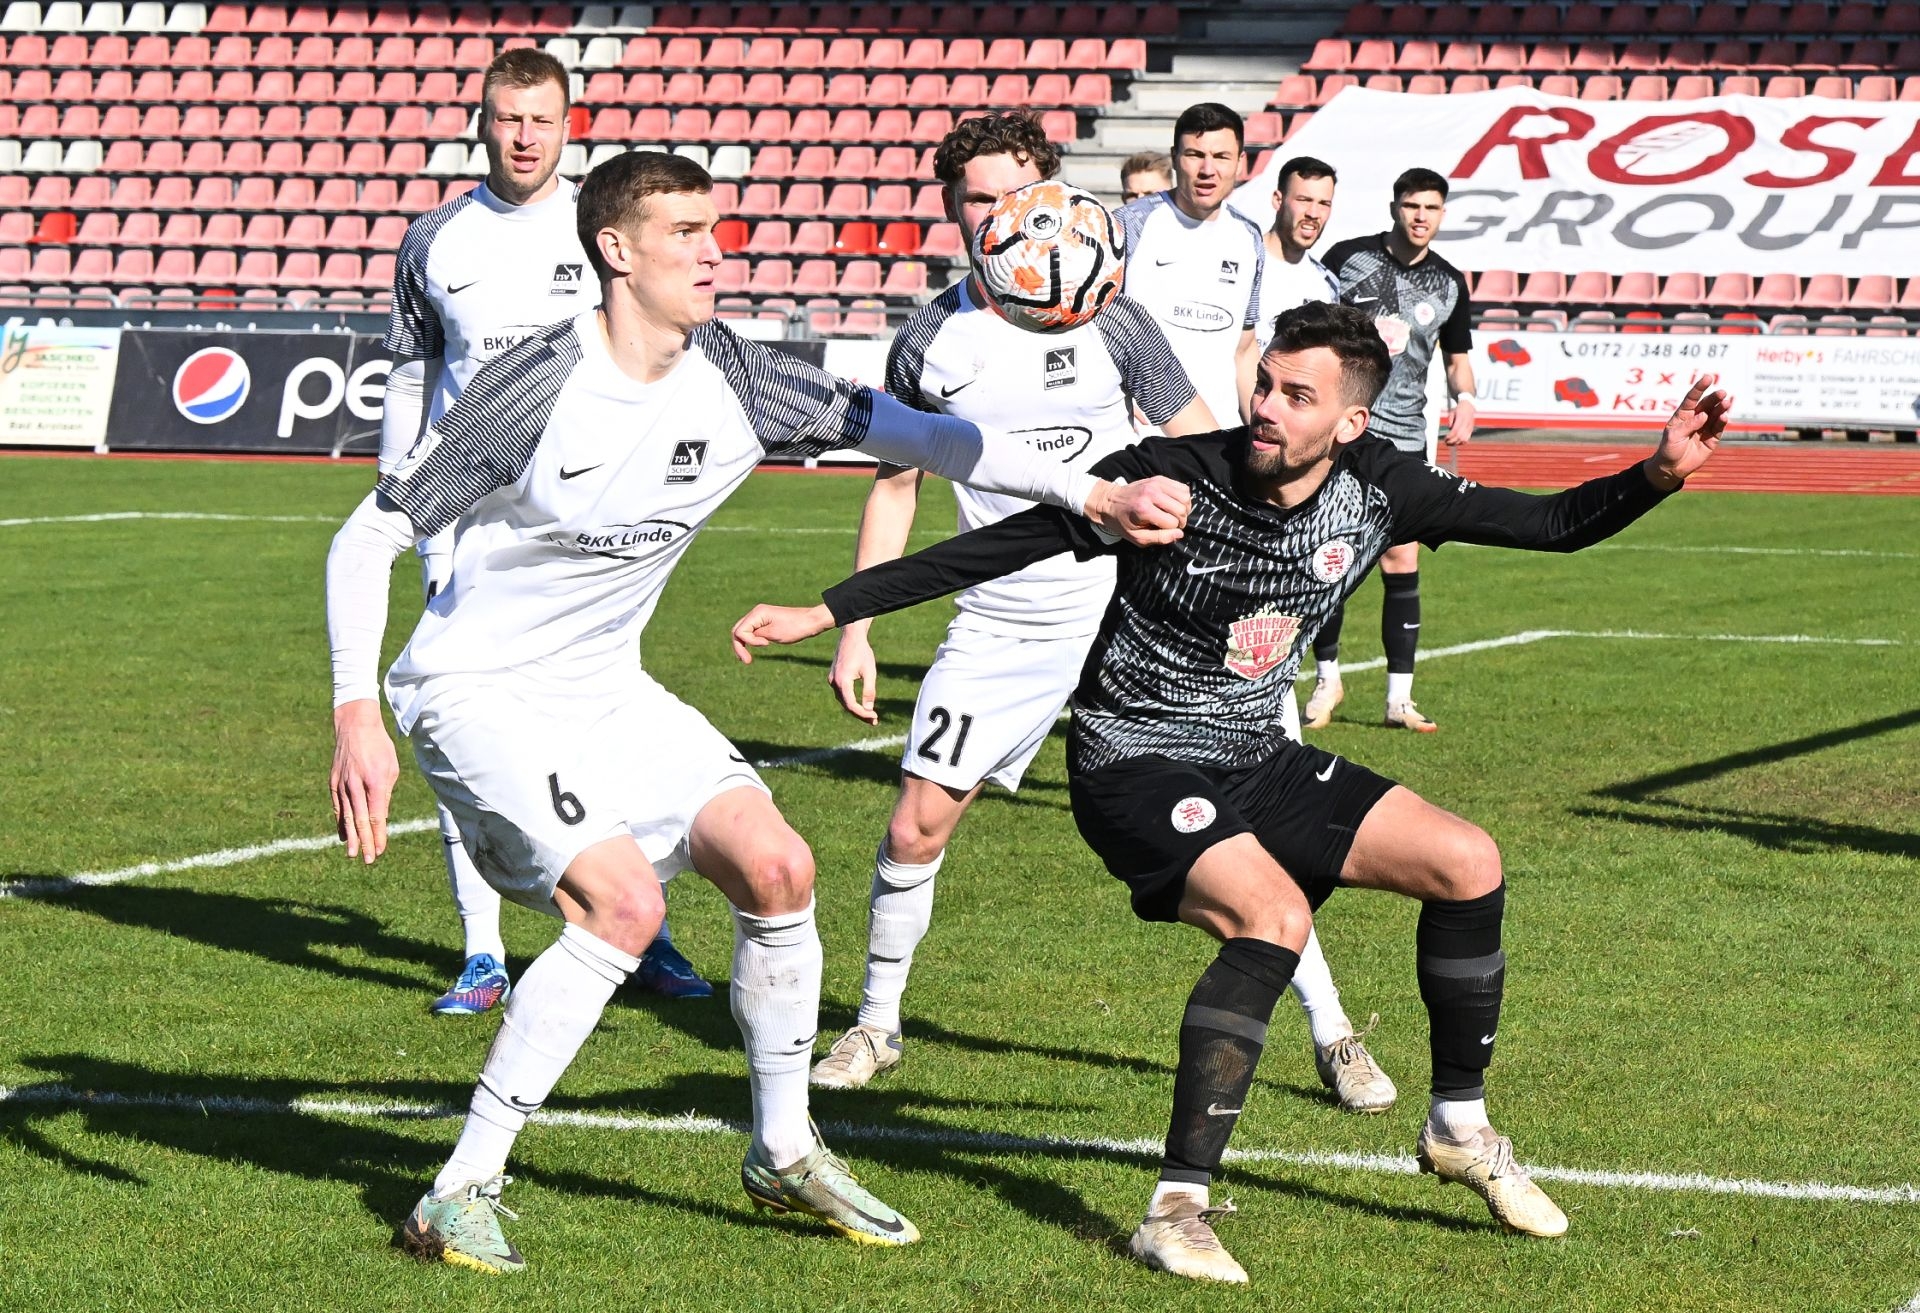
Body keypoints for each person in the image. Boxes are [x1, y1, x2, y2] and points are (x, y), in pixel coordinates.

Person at [731, 302, 1734, 1285]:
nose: (1266, 405)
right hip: (1135, 759)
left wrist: (1655, 474)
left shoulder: (1383, 487)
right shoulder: (1170, 476)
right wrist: (829, 608)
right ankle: (1176, 1208)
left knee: (1469, 862)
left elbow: (1551, 523)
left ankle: (1459, 1126)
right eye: (1265, 382)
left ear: (1349, 423)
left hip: (1258, 752)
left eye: (1298, 395)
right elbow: (1001, 547)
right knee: (1273, 917)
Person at [327, 150, 1189, 1273]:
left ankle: (783, 1148)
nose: (712, 251)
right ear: (615, 250)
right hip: (475, 691)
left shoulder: (740, 375)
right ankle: (461, 1184)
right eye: (684, 233)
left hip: (606, 688)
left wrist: (1095, 492)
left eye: (715, 229)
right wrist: (356, 712)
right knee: (624, 906)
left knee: (778, 864)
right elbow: (369, 535)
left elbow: (923, 439)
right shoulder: (535, 384)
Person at [814, 114, 1395, 1116]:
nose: (996, 216)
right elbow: (896, 484)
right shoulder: (930, 338)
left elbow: (1207, 451)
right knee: (915, 823)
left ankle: (1335, 1033)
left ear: (1054, 196)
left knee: (1255, 831)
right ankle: (876, 1021)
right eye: (973, 200)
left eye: (1012, 195)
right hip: (1005, 620)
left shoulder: (1117, 319)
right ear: (951, 212)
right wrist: (859, 628)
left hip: (1145, 616)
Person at [381, 48, 709, 1011]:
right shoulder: (435, 240)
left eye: (541, 118)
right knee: (463, 716)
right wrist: (407, 507)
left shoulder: (601, 229)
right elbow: (411, 379)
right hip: (469, 524)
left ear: (570, 124)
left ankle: (637, 926)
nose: (522, 135)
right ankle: (481, 950)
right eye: (504, 117)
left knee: (599, 715)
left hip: (589, 527)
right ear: (479, 121)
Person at [1308, 167, 1478, 734]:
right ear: (1394, 207)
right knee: (1328, 555)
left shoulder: (1450, 283)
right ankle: (1326, 677)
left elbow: (1456, 359)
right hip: (1343, 432)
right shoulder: (1346, 259)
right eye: (1411, 205)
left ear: (1442, 213)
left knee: (1401, 560)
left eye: (1431, 207)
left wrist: (1468, 400)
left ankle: (1397, 699)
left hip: (1406, 437)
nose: (1420, 216)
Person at [1115, 103, 1266, 427]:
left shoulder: (1249, 238)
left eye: (1221, 157)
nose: (1207, 169)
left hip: (1219, 439)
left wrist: (1260, 424)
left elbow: (1244, 350)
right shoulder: (1129, 225)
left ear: (1241, 163)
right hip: (1142, 442)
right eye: (1195, 154)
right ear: (1174, 158)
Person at [1254, 155, 1340, 348]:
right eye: (1304, 200)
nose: (1313, 213)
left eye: (1324, 203)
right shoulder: (1243, 261)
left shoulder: (1326, 283)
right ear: (1278, 200)